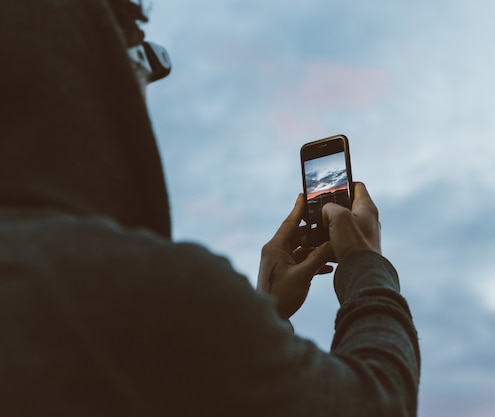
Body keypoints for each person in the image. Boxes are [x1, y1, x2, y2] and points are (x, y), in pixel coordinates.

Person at [0, 0, 421, 416]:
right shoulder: (146, 291)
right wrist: (366, 264)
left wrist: (263, 321)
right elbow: (378, 404)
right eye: (143, 59)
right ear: (87, 73)